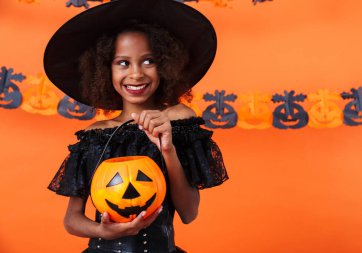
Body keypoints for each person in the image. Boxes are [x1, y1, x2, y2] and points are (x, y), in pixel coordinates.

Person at [45, 0, 228, 252]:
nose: (136, 74)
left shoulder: (178, 120)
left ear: (165, 65)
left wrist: (168, 149)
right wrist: (102, 230)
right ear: (104, 69)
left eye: (148, 61)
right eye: (123, 63)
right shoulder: (94, 136)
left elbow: (189, 213)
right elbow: (71, 220)